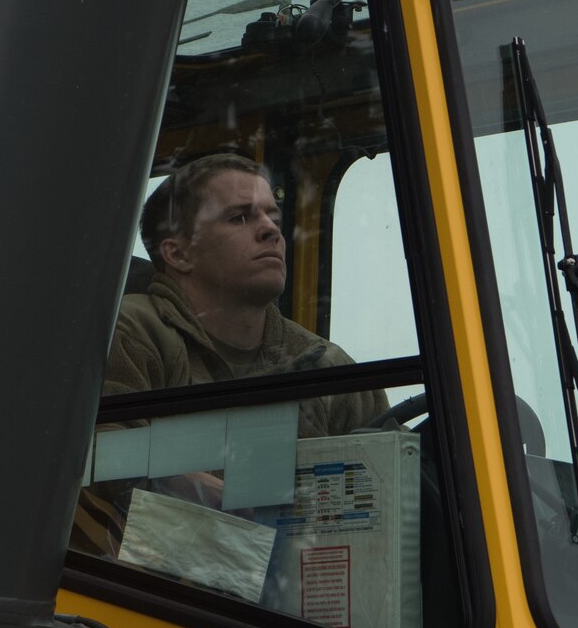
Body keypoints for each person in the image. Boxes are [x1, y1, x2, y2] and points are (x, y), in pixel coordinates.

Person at [105, 151, 387, 436]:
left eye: (274, 219)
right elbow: (105, 459)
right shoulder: (129, 334)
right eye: (239, 218)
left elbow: (400, 468)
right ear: (178, 254)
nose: (270, 230)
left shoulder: (325, 364)